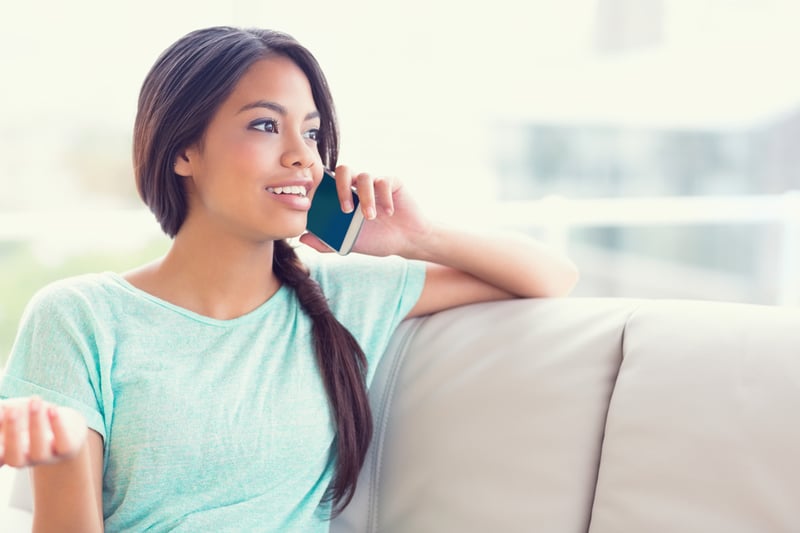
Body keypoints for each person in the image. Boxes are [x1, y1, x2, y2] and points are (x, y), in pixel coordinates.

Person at [0, 26, 578, 532]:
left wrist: (415, 238)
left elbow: (552, 275)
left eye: (311, 132)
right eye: (264, 125)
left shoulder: (340, 297)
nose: (304, 157)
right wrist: (59, 455)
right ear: (182, 152)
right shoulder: (79, 316)